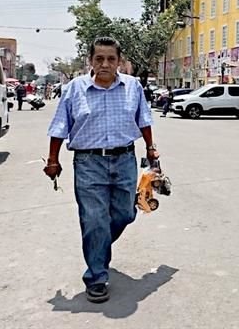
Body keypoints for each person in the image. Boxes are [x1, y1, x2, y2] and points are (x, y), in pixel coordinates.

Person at [43, 36, 160, 303]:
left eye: (110, 59)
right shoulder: (75, 89)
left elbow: (144, 120)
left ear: (119, 62)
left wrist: (151, 148)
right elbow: (59, 127)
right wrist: (53, 160)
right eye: (99, 59)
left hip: (125, 160)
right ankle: (96, 276)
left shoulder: (133, 87)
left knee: (125, 214)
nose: (105, 64)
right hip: (88, 163)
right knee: (94, 220)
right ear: (91, 61)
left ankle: (99, 247)